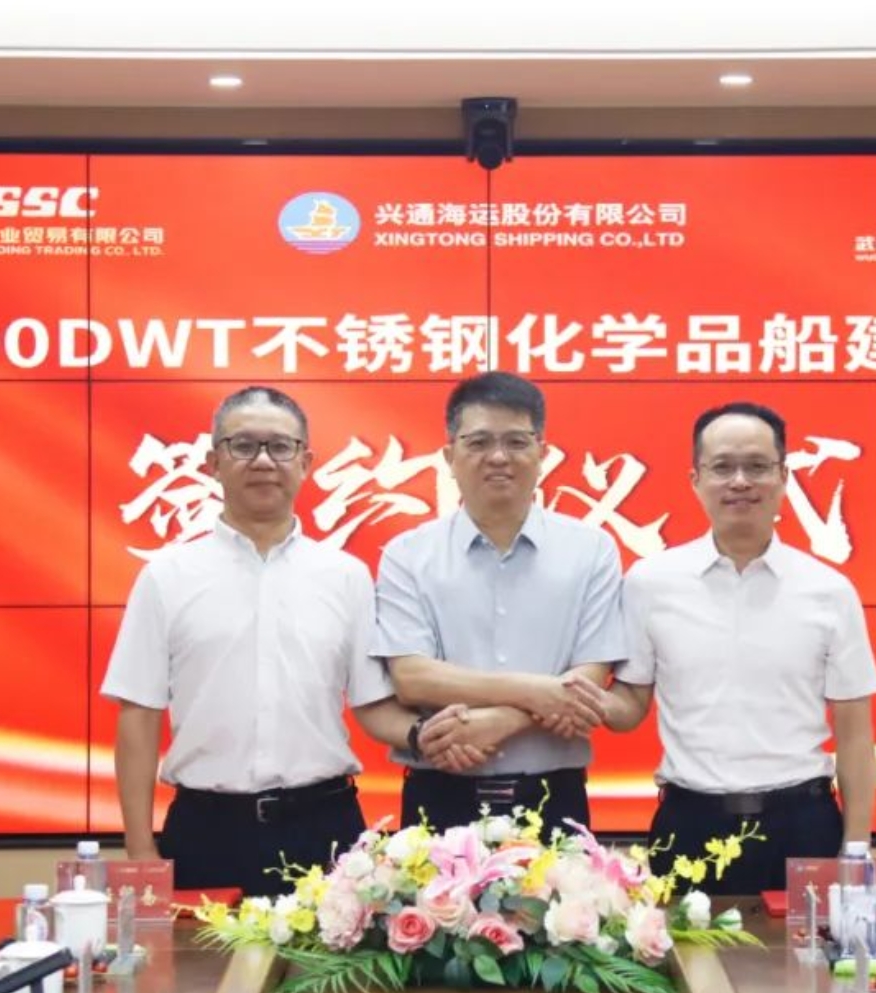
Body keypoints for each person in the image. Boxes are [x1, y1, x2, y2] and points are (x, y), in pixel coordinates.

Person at [102, 386, 445, 896]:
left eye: (280, 447)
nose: (263, 461)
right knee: (198, 954)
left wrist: (430, 735)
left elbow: (372, 705)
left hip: (323, 828)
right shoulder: (166, 577)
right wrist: (140, 851)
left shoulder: (346, 576)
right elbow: (139, 715)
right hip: (205, 830)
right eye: (243, 445)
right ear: (213, 463)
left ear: (305, 463)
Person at [582, 401, 876, 894]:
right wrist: (574, 696)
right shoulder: (650, 582)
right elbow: (630, 703)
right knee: (679, 946)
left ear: (783, 477)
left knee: (808, 949)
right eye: (722, 467)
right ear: (696, 480)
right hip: (689, 823)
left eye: (757, 466)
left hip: (802, 824)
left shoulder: (829, 590)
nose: (740, 481)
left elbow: (854, 735)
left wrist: (856, 849)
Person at [373, 371, 626, 832]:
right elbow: (412, 678)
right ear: (449, 457)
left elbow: (587, 680)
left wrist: (499, 722)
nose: (498, 457)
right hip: (441, 795)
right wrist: (535, 693)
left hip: (553, 796)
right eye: (478, 442)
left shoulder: (591, 550)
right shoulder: (407, 554)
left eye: (516, 441)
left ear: (542, 454)